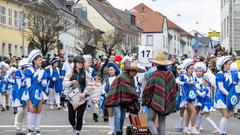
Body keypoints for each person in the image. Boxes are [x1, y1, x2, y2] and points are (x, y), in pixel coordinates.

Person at [105, 62, 145, 135]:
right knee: (118, 115)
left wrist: (135, 96)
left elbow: (131, 89)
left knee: (122, 116)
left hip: (123, 99)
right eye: (134, 71)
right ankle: (118, 132)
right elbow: (128, 89)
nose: (135, 73)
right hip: (115, 98)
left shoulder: (131, 78)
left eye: (136, 71)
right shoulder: (122, 76)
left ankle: (120, 130)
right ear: (130, 71)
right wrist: (136, 95)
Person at [142, 52, 177, 135]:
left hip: (154, 101)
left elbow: (148, 89)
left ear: (156, 64)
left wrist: (146, 99)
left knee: (150, 120)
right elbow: (174, 88)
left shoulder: (154, 74)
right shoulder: (170, 74)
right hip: (165, 103)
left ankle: (155, 133)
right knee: (162, 121)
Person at [25, 49, 48, 135]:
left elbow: (45, 84)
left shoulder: (43, 71)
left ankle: (37, 129)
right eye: (39, 60)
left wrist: (42, 82)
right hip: (31, 92)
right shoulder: (29, 70)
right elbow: (28, 84)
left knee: (38, 110)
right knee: (32, 110)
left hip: (40, 92)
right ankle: (30, 129)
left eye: (41, 60)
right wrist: (33, 91)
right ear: (34, 60)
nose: (41, 61)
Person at [63, 55, 87, 135]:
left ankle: (77, 132)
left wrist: (84, 93)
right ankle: (74, 126)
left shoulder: (85, 73)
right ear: (75, 63)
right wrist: (71, 82)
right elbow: (64, 83)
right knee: (71, 118)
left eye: (82, 63)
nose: (80, 64)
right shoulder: (70, 72)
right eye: (79, 62)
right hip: (72, 98)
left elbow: (90, 85)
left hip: (82, 98)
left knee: (80, 117)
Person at [176, 58, 200, 134]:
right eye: (191, 68)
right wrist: (184, 83)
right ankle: (193, 128)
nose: (192, 70)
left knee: (189, 113)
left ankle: (186, 128)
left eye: (193, 68)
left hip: (192, 97)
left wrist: (200, 88)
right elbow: (176, 80)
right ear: (187, 69)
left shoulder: (193, 76)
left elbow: (196, 84)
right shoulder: (183, 75)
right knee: (194, 111)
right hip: (185, 97)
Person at [100, 62, 120, 135]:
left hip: (116, 98)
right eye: (109, 70)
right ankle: (111, 129)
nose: (110, 71)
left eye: (111, 70)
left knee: (117, 114)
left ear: (115, 70)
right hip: (108, 98)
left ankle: (116, 129)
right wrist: (105, 93)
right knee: (110, 114)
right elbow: (101, 88)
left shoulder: (118, 78)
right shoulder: (106, 79)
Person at [215, 56, 232, 135]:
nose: (230, 65)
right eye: (228, 64)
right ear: (224, 65)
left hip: (226, 96)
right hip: (220, 96)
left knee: (227, 115)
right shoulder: (220, 74)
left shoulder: (229, 73)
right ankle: (221, 133)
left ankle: (224, 132)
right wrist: (229, 95)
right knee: (225, 115)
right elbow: (221, 88)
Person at [14, 58, 31, 135]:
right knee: (20, 111)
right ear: (23, 67)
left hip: (26, 94)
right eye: (26, 67)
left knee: (26, 112)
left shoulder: (28, 73)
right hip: (18, 94)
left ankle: (24, 129)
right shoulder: (18, 72)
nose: (27, 68)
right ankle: (18, 128)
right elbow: (18, 85)